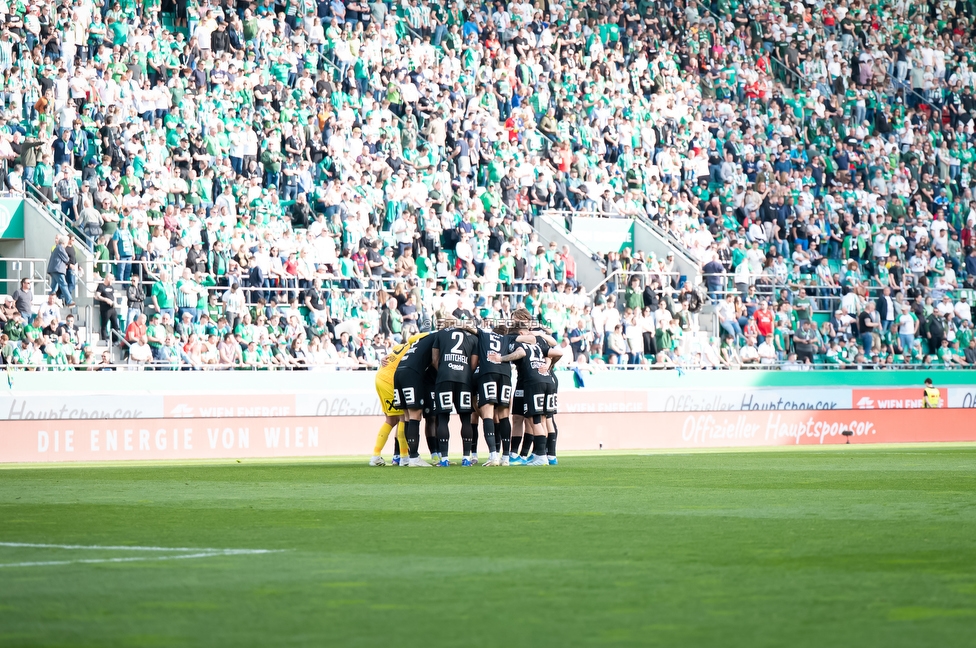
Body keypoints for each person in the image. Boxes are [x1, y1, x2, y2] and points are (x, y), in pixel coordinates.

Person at [369, 332, 425, 467]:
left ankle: (377, 455)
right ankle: (404, 457)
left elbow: (392, 355)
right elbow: (415, 338)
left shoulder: (400, 347)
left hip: (380, 377)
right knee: (402, 417)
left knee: (391, 419)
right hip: (389, 380)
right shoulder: (413, 348)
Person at [430, 320, 479, 466]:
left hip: (444, 377)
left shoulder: (441, 334)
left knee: (443, 418)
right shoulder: (473, 337)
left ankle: (444, 459)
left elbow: (434, 359)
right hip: (464, 379)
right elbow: (474, 363)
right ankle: (466, 458)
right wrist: (463, 372)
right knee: (466, 418)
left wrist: (445, 370)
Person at [46, 235, 73, 307]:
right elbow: (66, 259)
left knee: (54, 287)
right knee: (63, 284)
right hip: (58, 270)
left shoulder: (57, 247)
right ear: (64, 242)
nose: (67, 244)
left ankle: (49, 299)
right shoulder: (60, 248)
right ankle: (69, 301)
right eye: (67, 242)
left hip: (54, 269)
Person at [94, 273, 120, 344]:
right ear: (108, 278)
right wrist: (106, 300)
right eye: (111, 279)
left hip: (112, 308)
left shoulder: (111, 287)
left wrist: (114, 302)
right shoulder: (101, 286)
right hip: (105, 309)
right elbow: (97, 296)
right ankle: (104, 339)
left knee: (115, 324)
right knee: (104, 324)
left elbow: (113, 296)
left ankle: (115, 340)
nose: (112, 281)